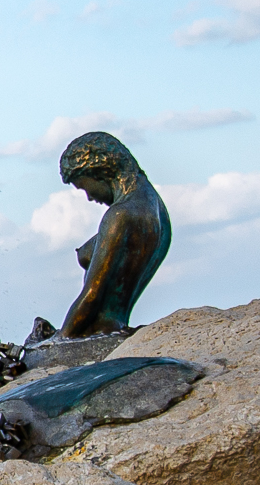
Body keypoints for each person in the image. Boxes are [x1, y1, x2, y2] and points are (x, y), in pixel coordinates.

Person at [50, 131, 171, 340]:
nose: (89, 197)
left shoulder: (119, 215)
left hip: (98, 334)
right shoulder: (155, 207)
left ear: (98, 171)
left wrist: (60, 337)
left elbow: (92, 295)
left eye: (83, 186)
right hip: (116, 328)